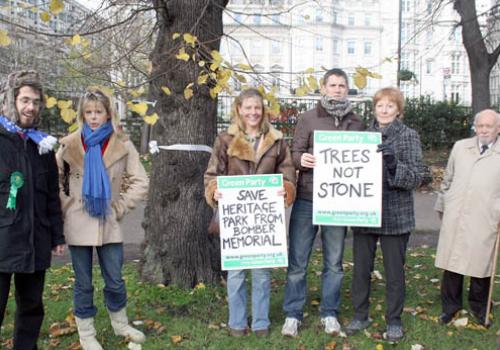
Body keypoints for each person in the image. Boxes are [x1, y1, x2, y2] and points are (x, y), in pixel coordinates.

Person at [56, 87, 148, 349]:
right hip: (77, 222)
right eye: (88, 113)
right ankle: (87, 333)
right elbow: (57, 182)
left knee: (115, 278)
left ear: (109, 113)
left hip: (108, 221)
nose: (93, 117)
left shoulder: (122, 142)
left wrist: (119, 207)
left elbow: (141, 181)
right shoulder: (69, 144)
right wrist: (68, 206)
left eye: (98, 112)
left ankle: (120, 324)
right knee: (83, 283)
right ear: (82, 115)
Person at [204, 88, 296, 337]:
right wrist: (215, 191)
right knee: (235, 273)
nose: (253, 112)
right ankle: (236, 322)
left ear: (263, 110)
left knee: (262, 273)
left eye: (257, 107)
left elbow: (288, 175)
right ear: (239, 110)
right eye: (248, 108)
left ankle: (261, 322)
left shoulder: (277, 141)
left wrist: (285, 189)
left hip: (265, 218)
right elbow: (212, 174)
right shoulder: (225, 140)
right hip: (237, 217)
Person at [281, 68, 363, 337]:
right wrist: (301, 159)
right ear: (324, 88)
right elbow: (294, 152)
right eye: (333, 85)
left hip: (339, 202)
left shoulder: (356, 122)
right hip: (307, 197)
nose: (337, 89)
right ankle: (293, 314)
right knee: (298, 261)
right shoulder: (308, 118)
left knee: (334, 263)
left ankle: (330, 312)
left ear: (347, 89)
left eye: (342, 85)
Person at [345, 87, 424, 342]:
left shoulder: (409, 136)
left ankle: (394, 320)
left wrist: (393, 164)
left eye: (390, 106)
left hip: (395, 215)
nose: (385, 109)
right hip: (364, 214)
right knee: (361, 270)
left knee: (394, 273)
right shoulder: (363, 136)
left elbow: (416, 177)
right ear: (374, 108)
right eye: (381, 105)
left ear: (398, 110)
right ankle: (360, 314)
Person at [0, 70, 64, 349]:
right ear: (12, 101)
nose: (31, 107)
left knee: (31, 309)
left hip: (35, 242)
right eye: (25, 100)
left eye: (36, 102)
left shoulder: (43, 146)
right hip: (3, 242)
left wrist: (57, 236)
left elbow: (52, 195)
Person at [434, 109, 500, 326]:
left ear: (497, 129)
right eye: (480, 126)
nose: (483, 130)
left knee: (481, 263)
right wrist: (443, 205)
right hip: (457, 212)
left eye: (488, 126)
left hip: (486, 215)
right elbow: (448, 178)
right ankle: (450, 307)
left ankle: (480, 307)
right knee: (453, 262)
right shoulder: (461, 147)